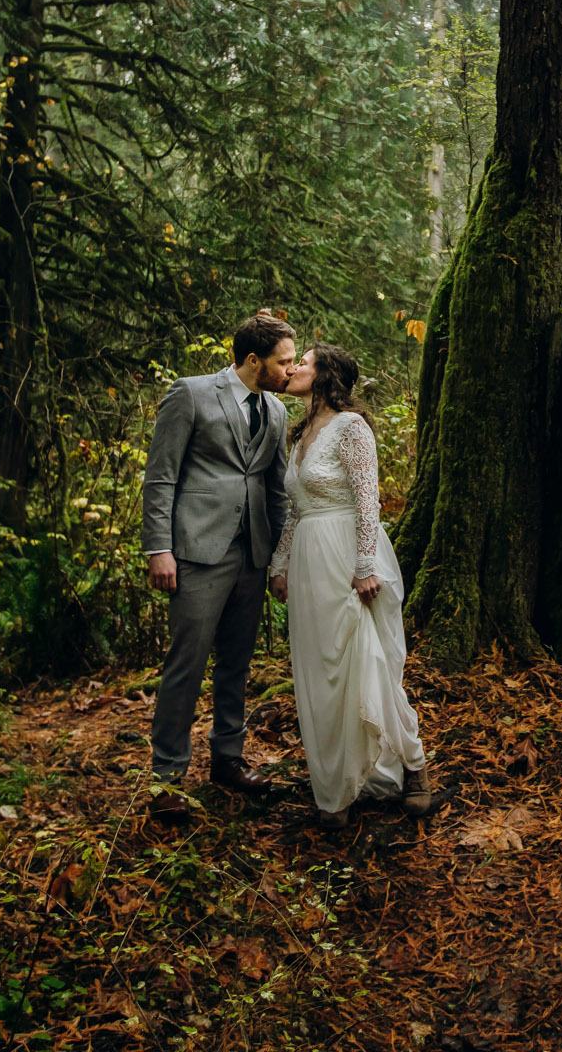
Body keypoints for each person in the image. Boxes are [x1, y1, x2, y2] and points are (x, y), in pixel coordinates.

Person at [140, 312, 296, 824]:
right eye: (284, 362)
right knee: (186, 664)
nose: (291, 371)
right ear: (254, 361)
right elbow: (161, 477)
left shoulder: (275, 410)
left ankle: (227, 758)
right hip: (196, 552)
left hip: (251, 554)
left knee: (237, 663)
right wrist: (157, 549)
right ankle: (167, 777)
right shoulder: (190, 393)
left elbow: (274, 488)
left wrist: (278, 559)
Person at [268, 344, 433, 829]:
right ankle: (336, 785)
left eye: (305, 361)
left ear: (326, 376)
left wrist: (364, 566)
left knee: (367, 664)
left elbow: (368, 502)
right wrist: (280, 565)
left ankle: (414, 767)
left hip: (348, 557)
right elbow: (296, 509)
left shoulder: (352, 428)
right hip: (308, 564)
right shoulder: (299, 435)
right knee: (320, 674)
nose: (295, 367)